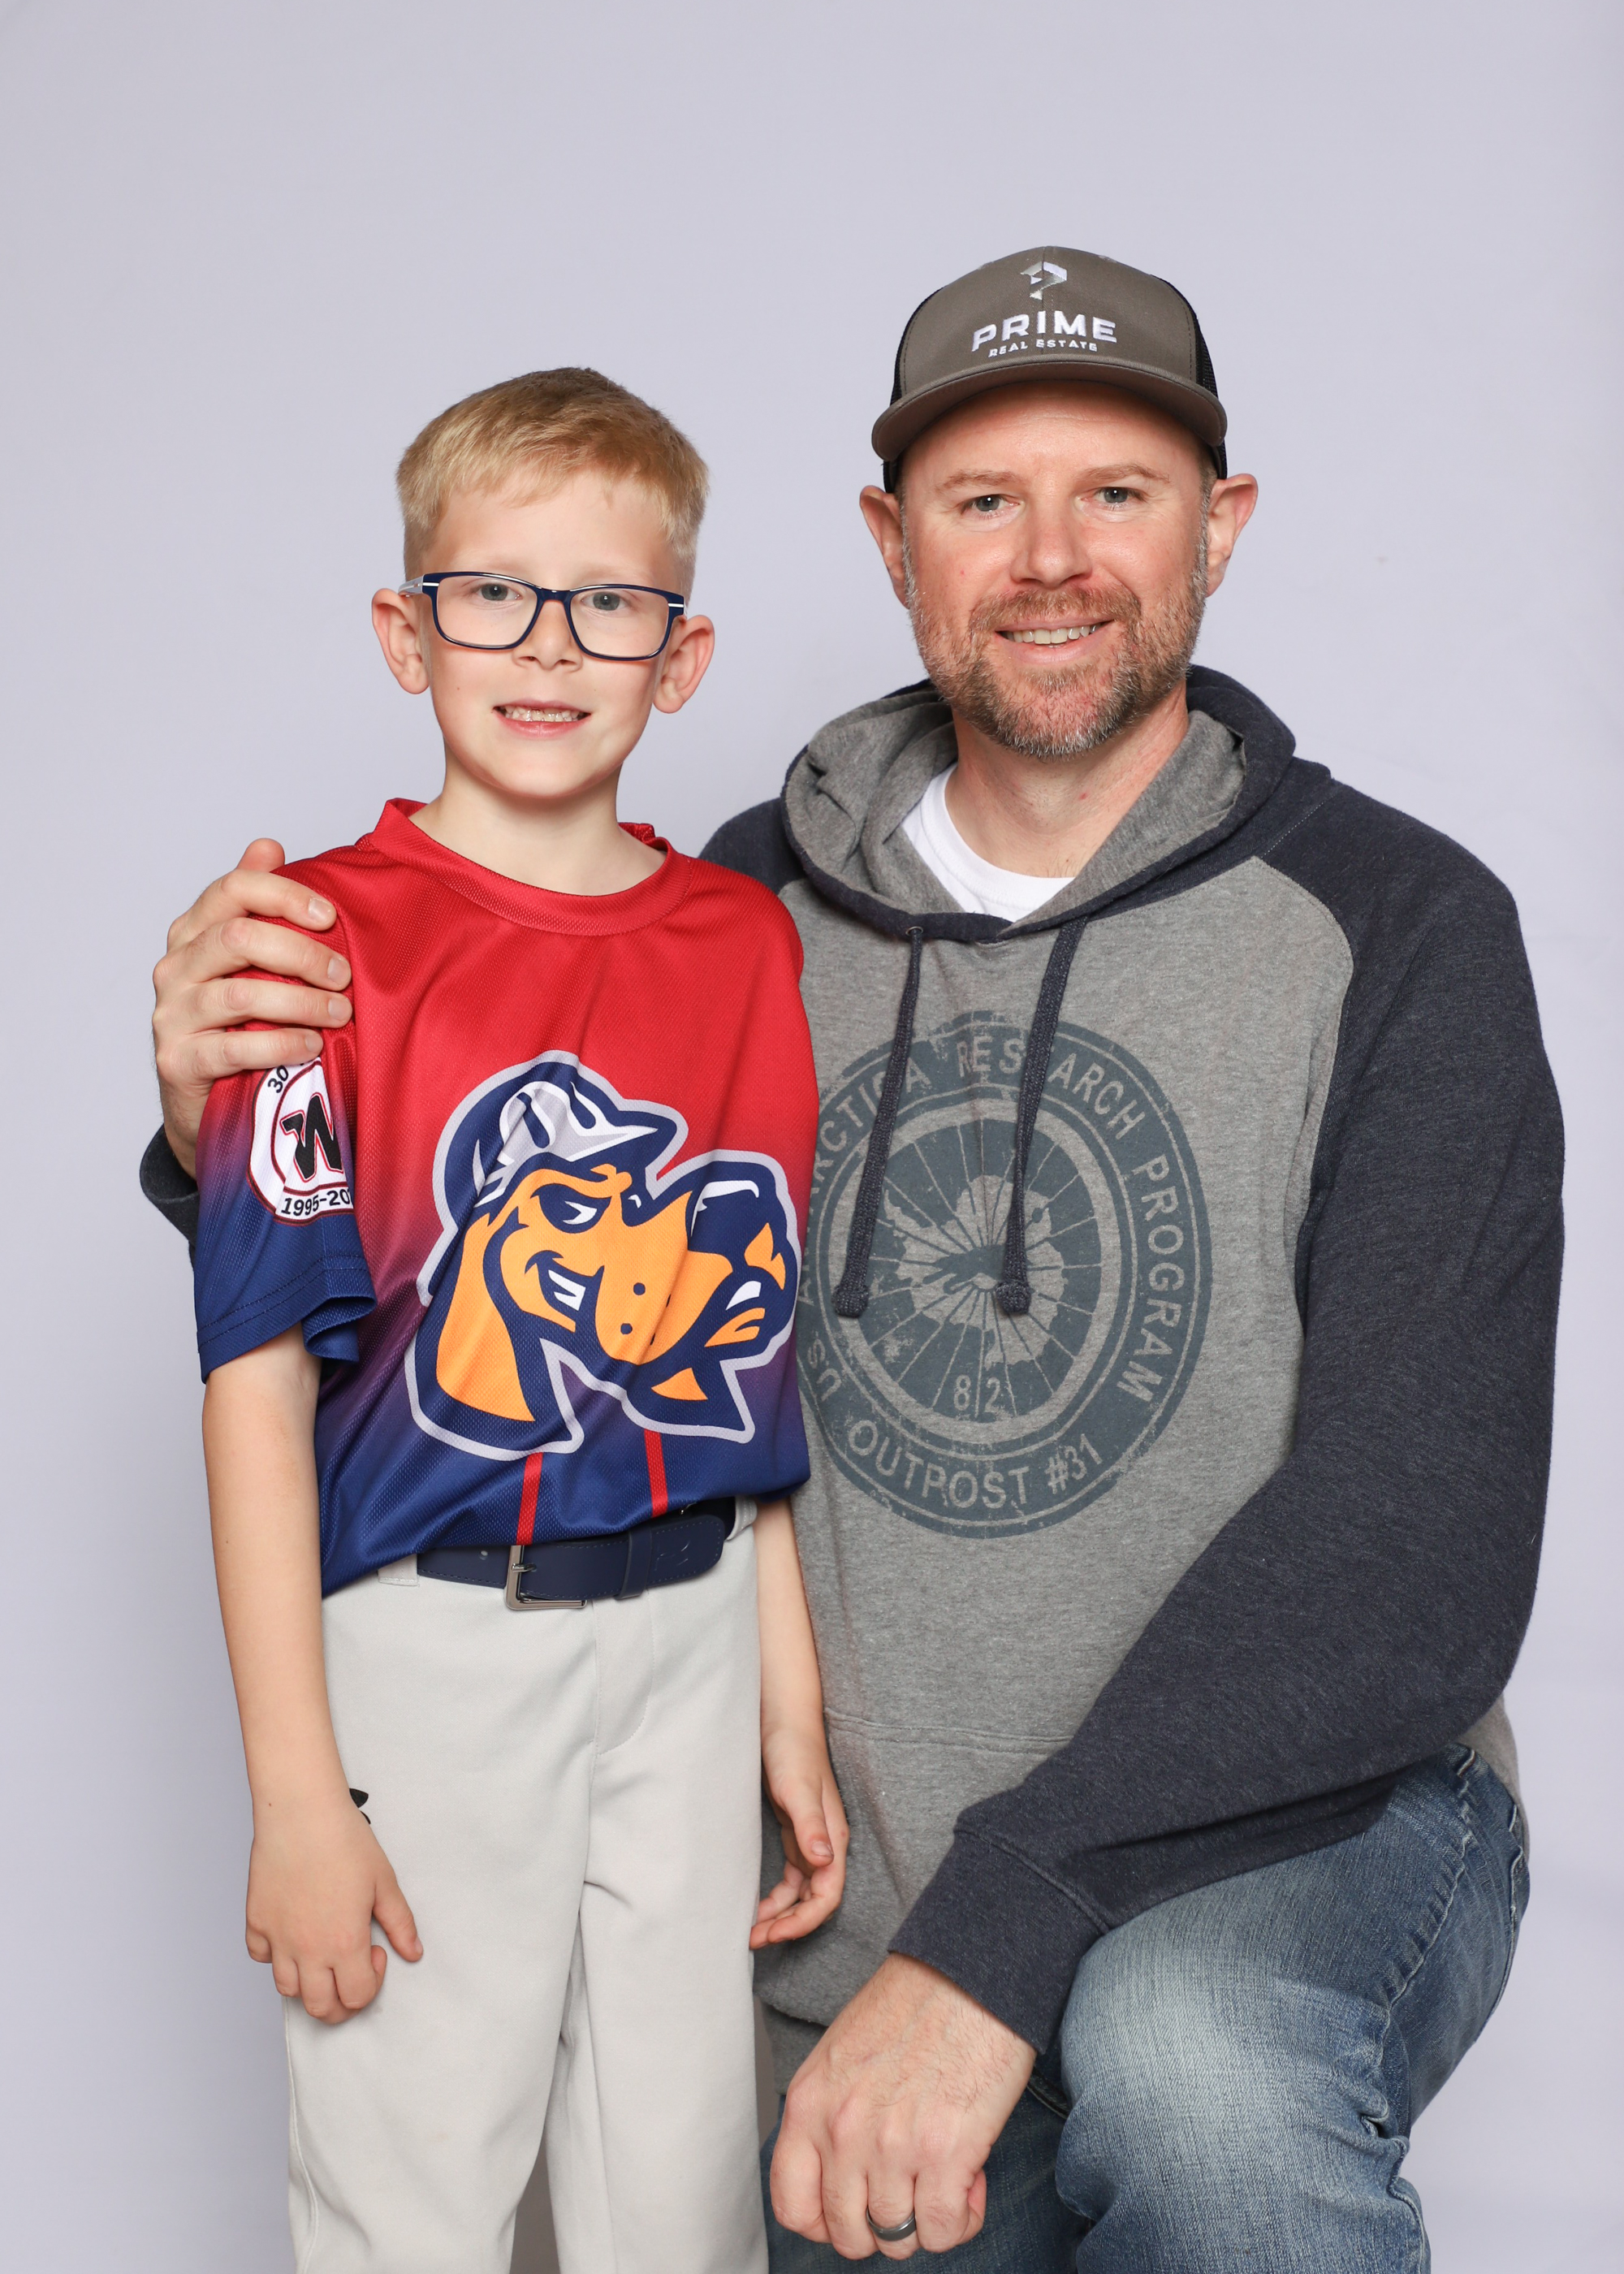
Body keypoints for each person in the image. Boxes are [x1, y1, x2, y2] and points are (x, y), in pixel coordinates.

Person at [146, 250, 1559, 2272]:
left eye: (1118, 492)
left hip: (1274, 1846)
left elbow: (1411, 1553)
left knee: (1198, 2075)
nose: (1051, 557)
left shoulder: (1402, 927)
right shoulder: (730, 909)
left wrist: (998, 1934)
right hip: (848, 1894)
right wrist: (213, 1111)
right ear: (894, 545)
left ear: (1221, 525)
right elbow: (450, 1223)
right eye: (985, 499)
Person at [183, 365, 847, 2274]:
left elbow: (742, 1362)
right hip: (432, 1647)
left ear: (681, 655)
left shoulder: (740, 941)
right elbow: (252, 1386)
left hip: (691, 1631)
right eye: (492, 593)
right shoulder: (309, 941)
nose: (549, 645)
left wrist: (788, 1705)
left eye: (608, 602)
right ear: (407, 632)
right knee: (414, 2202)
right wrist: (295, 1792)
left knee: (685, 2206)